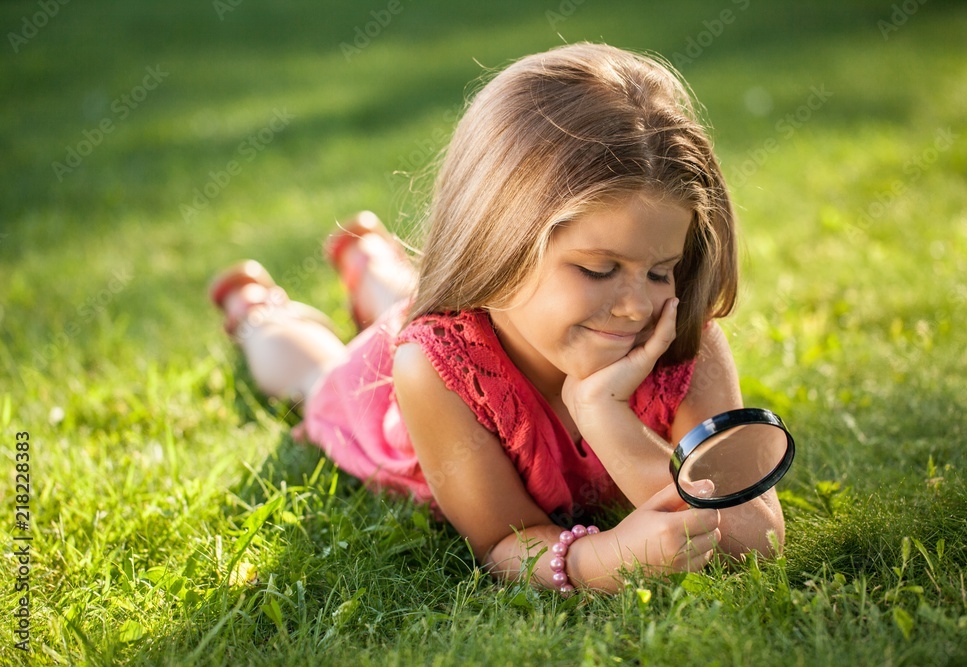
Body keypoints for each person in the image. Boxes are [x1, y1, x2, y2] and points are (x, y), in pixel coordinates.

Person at [209, 43, 785, 594]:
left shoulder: (685, 342)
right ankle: (262, 313)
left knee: (404, 296)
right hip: (385, 395)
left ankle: (373, 262)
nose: (637, 306)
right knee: (319, 377)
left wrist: (604, 413)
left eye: (661, 270)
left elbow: (754, 538)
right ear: (497, 243)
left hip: (488, 313)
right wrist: (598, 562)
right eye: (598, 269)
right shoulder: (432, 371)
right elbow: (505, 539)